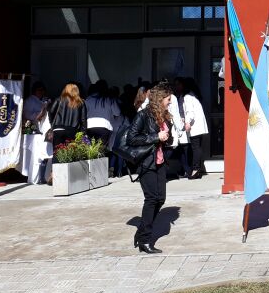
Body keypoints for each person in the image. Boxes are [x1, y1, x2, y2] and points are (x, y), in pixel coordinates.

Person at [126, 84, 174, 254]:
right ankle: (145, 240)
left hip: (160, 162)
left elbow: (167, 138)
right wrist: (156, 137)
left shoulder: (164, 116)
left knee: (160, 199)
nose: (170, 102)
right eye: (168, 99)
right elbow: (131, 138)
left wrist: (167, 137)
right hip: (146, 163)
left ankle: (141, 232)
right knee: (152, 199)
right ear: (160, 99)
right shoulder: (143, 115)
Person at [180, 78, 210, 179]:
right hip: (198, 126)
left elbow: (190, 112)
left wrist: (187, 122)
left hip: (194, 126)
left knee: (195, 147)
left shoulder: (188, 97)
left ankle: (195, 169)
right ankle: (198, 169)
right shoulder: (194, 95)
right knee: (198, 147)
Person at [46, 82, 88, 148]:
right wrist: (83, 133)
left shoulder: (58, 99)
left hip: (58, 129)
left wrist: (52, 124)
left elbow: (50, 112)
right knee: (70, 152)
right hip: (73, 131)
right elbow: (83, 119)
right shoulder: (81, 102)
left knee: (57, 151)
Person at [86, 79, 120, 149]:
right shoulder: (110, 99)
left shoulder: (89, 98)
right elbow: (117, 113)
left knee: (91, 149)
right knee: (101, 149)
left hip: (89, 126)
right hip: (105, 127)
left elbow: (83, 113)